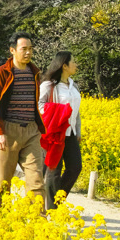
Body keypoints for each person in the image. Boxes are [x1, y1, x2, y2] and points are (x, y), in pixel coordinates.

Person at [0, 32, 46, 211]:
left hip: (31, 131)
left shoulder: (34, 72)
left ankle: (39, 221)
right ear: (13, 50)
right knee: (3, 182)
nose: (28, 53)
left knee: (36, 178)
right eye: (24, 49)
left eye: (30, 49)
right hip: (9, 131)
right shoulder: (2, 73)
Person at [39, 51, 82, 208]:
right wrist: (57, 111)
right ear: (64, 65)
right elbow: (38, 105)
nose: (76, 65)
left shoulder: (73, 85)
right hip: (55, 133)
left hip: (70, 133)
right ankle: (53, 209)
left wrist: (78, 130)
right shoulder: (49, 85)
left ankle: (57, 199)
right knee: (54, 171)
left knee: (75, 167)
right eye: (73, 62)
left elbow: (76, 111)